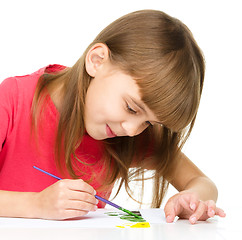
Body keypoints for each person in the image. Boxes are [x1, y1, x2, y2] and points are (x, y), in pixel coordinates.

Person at [0, 9, 225, 224]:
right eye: (131, 108)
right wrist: (36, 204)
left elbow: (203, 183)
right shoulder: (14, 99)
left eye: (148, 122)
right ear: (97, 61)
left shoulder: (127, 134)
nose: (131, 130)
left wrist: (193, 199)